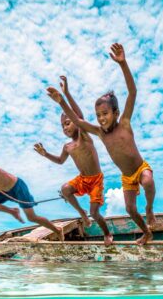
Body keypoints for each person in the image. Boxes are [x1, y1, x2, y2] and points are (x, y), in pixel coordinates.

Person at [46, 43, 156, 245]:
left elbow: (132, 92)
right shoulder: (99, 133)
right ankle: (146, 233)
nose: (101, 119)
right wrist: (61, 102)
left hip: (140, 169)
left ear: (115, 113)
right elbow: (79, 121)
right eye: (98, 115)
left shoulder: (124, 123)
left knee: (148, 181)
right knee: (130, 209)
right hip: (127, 177)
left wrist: (123, 64)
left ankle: (149, 208)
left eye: (105, 114)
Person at [35, 76, 113, 246]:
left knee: (95, 212)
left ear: (77, 124)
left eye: (68, 123)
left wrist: (65, 96)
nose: (65, 127)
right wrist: (45, 154)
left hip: (96, 180)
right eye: (62, 126)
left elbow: (78, 115)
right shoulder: (68, 146)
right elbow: (60, 161)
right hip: (82, 179)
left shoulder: (84, 136)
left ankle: (107, 233)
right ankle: (82, 213)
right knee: (65, 189)